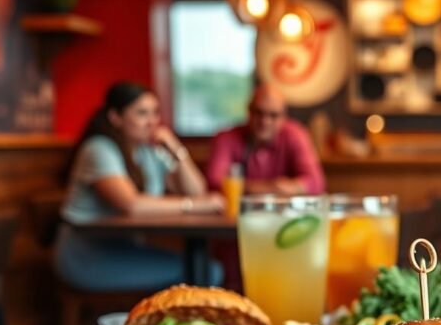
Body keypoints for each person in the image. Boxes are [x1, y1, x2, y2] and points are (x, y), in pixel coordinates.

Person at [55, 82, 223, 291]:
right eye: (142, 114)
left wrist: (176, 148)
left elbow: (197, 191)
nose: (152, 122)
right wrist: (196, 206)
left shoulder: (148, 151)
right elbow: (131, 205)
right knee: (205, 272)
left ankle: (169, 322)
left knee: (205, 270)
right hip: (87, 256)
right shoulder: (98, 149)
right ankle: (162, 322)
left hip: (124, 250)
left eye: (155, 113)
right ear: (115, 117)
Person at [206, 84, 325, 195]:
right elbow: (214, 181)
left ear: (284, 117)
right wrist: (274, 187)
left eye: (273, 115)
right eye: (259, 113)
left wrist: (240, 187)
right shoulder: (227, 138)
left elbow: (316, 183)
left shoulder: (296, 135)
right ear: (248, 111)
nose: (265, 121)